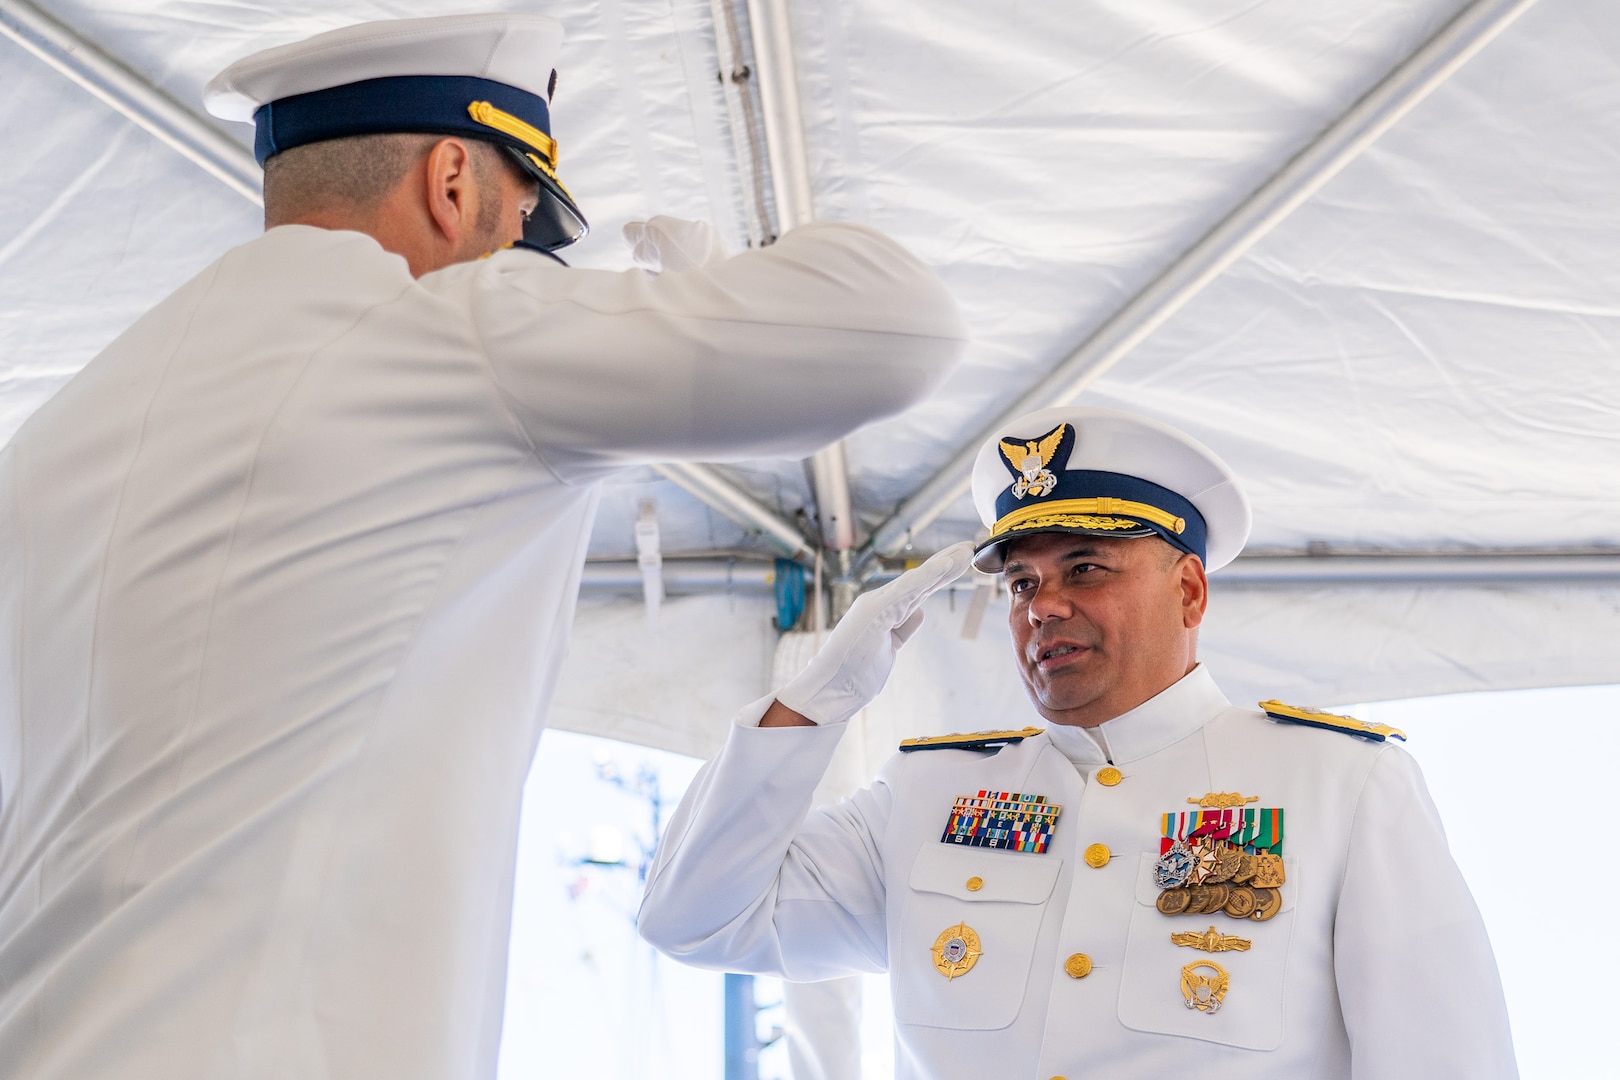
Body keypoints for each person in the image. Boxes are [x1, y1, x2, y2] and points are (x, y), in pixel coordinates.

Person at [0, 13, 966, 1079]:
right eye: (521, 223)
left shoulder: (64, 431)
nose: (518, 255)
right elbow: (898, 325)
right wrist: (723, 282)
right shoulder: (442, 333)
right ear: (452, 180)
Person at [639, 406, 1517, 1079]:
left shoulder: (1339, 785)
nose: (1041, 607)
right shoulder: (930, 798)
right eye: (1022, 582)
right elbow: (693, 918)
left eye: (1085, 569)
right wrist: (815, 703)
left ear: (1189, 590)